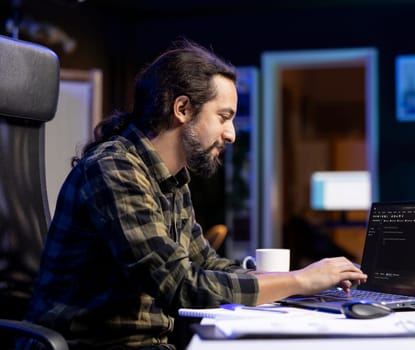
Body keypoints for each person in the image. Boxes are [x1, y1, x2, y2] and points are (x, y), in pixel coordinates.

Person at [24, 38, 367, 349]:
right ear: (182, 109)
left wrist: (312, 284)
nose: (231, 134)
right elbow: (181, 286)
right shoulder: (114, 170)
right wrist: (300, 280)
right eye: (223, 117)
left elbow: (206, 264)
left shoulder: (172, 178)